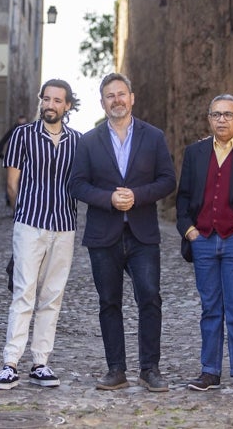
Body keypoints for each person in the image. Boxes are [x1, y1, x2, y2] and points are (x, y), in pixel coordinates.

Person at [69, 72, 176, 393]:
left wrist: (137, 196)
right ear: (102, 103)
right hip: (104, 235)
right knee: (108, 303)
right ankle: (116, 369)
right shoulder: (88, 140)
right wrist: (109, 199)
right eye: (109, 96)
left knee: (150, 299)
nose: (116, 100)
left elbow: (168, 180)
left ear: (132, 98)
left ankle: (149, 369)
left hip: (143, 234)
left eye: (121, 94)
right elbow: (77, 184)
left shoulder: (153, 137)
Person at [0, 79, 82, 390]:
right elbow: (12, 185)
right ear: (40, 101)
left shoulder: (78, 142)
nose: (51, 105)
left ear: (67, 106)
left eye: (58, 100)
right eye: (47, 99)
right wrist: (26, 216)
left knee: (53, 296)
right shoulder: (22, 136)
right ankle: (10, 363)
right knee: (24, 293)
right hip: (30, 224)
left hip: (65, 226)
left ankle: (41, 362)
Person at [176, 94, 233, 394]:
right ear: (209, 119)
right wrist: (189, 230)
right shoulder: (195, 152)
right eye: (216, 115)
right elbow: (183, 197)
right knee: (210, 309)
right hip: (202, 239)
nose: (222, 120)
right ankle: (210, 371)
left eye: (228, 115)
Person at [0, 115, 28, 207]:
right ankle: (10, 200)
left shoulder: (29, 130)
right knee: (12, 181)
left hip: (25, 160)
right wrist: (0, 153)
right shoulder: (14, 129)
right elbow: (3, 141)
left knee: (20, 181)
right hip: (14, 158)